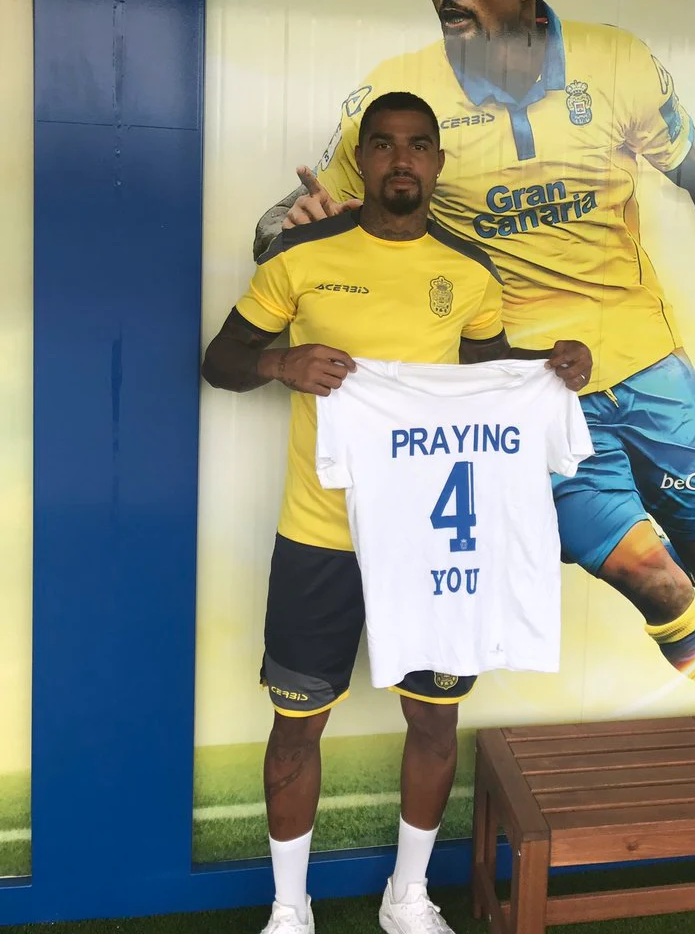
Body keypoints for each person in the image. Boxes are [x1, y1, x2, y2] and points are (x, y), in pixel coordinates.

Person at [254, 0, 695, 712]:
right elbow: (283, 223)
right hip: (523, 379)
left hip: (645, 358)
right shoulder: (399, 96)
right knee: (652, 578)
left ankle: (608, 520)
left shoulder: (615, 61)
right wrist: (295, 225)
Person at [202, 90, 591, 934]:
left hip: (432, 545)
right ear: (365, 159)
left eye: (418, 146)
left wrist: (551, 367)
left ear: (437, 162)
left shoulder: (470, 271)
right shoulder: (299, 260)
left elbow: (488, 383)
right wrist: (280, 362)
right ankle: (290, 908)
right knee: (297, 726)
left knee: (435, 717)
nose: (402, 161)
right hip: (320, 536)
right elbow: (220, 359)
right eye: (383, 145)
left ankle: (406, 896)